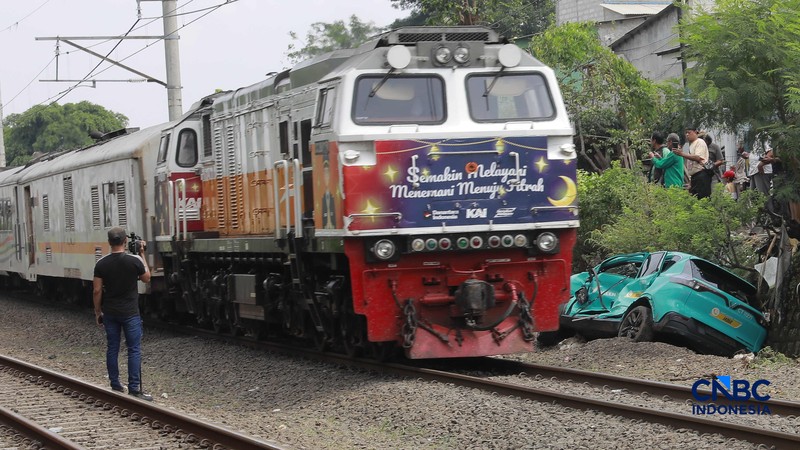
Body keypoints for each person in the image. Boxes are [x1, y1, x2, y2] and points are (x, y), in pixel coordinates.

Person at [93, 227, 153, 401]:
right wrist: (141, 253)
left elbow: (97, 290)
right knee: (133, 349)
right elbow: (147, 278)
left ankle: (115, 384)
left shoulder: (101, 263)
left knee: (112, 348)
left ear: (109, 242)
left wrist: (98, 312)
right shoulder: (134, 260)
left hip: (110, 313)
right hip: (130, 313)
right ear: (125, 241)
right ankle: (134, 388)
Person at [674, 126, 711, 199]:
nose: (687, 134)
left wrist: (682, 154)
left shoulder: (699, 142)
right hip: (694, 176)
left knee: (702, 199)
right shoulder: (690, 145)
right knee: (695, 199)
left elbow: (698, 157)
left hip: (701, 174)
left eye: (689, 132)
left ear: (695, 132)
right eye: (686, 133)